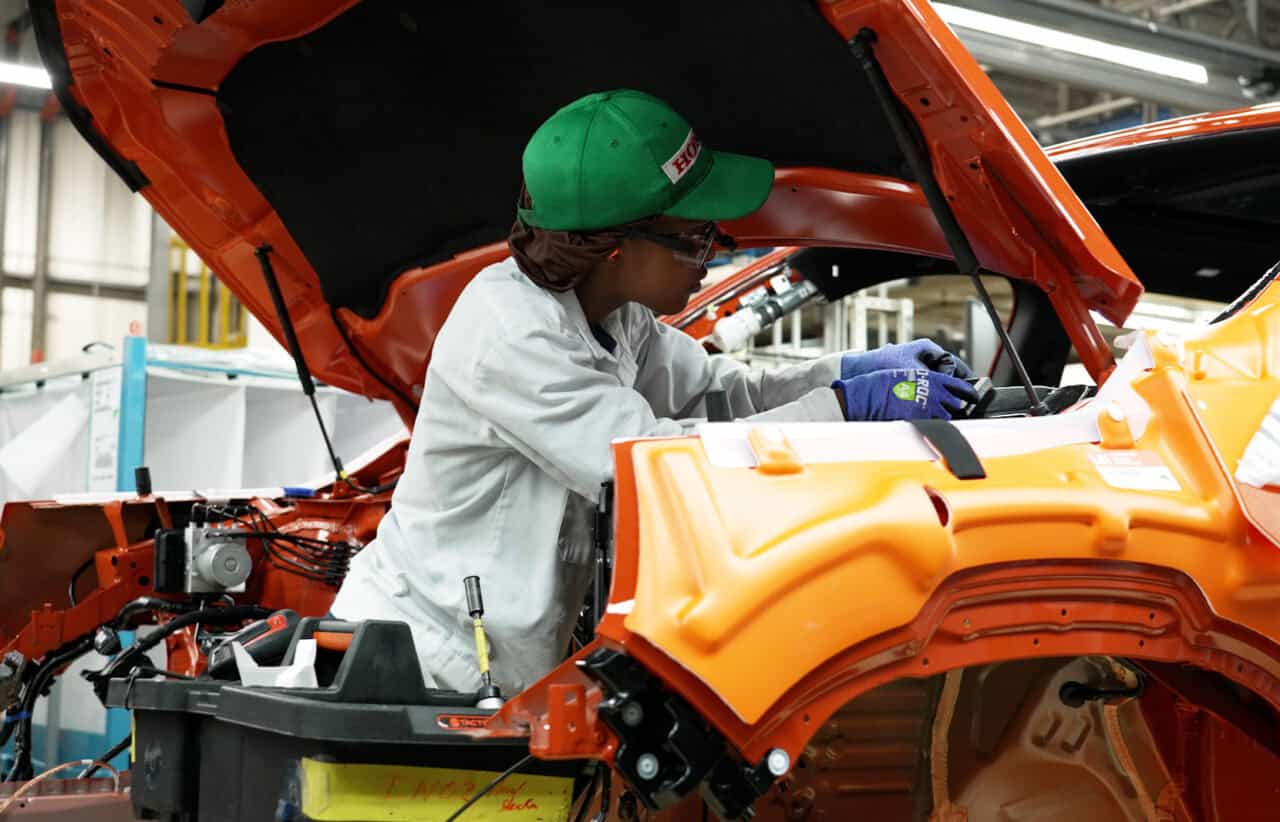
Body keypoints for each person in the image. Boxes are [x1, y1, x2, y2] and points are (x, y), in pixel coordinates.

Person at [330, 90, 977, 694]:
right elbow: (663, 462)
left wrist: (846, 373)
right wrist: (845, 408)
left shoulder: (617, 316)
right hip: (418, 665)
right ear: (612, 249)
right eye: (697, 237)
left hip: (497, 661)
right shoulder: (508, 334)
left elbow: (719, 397)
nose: (712, 254)